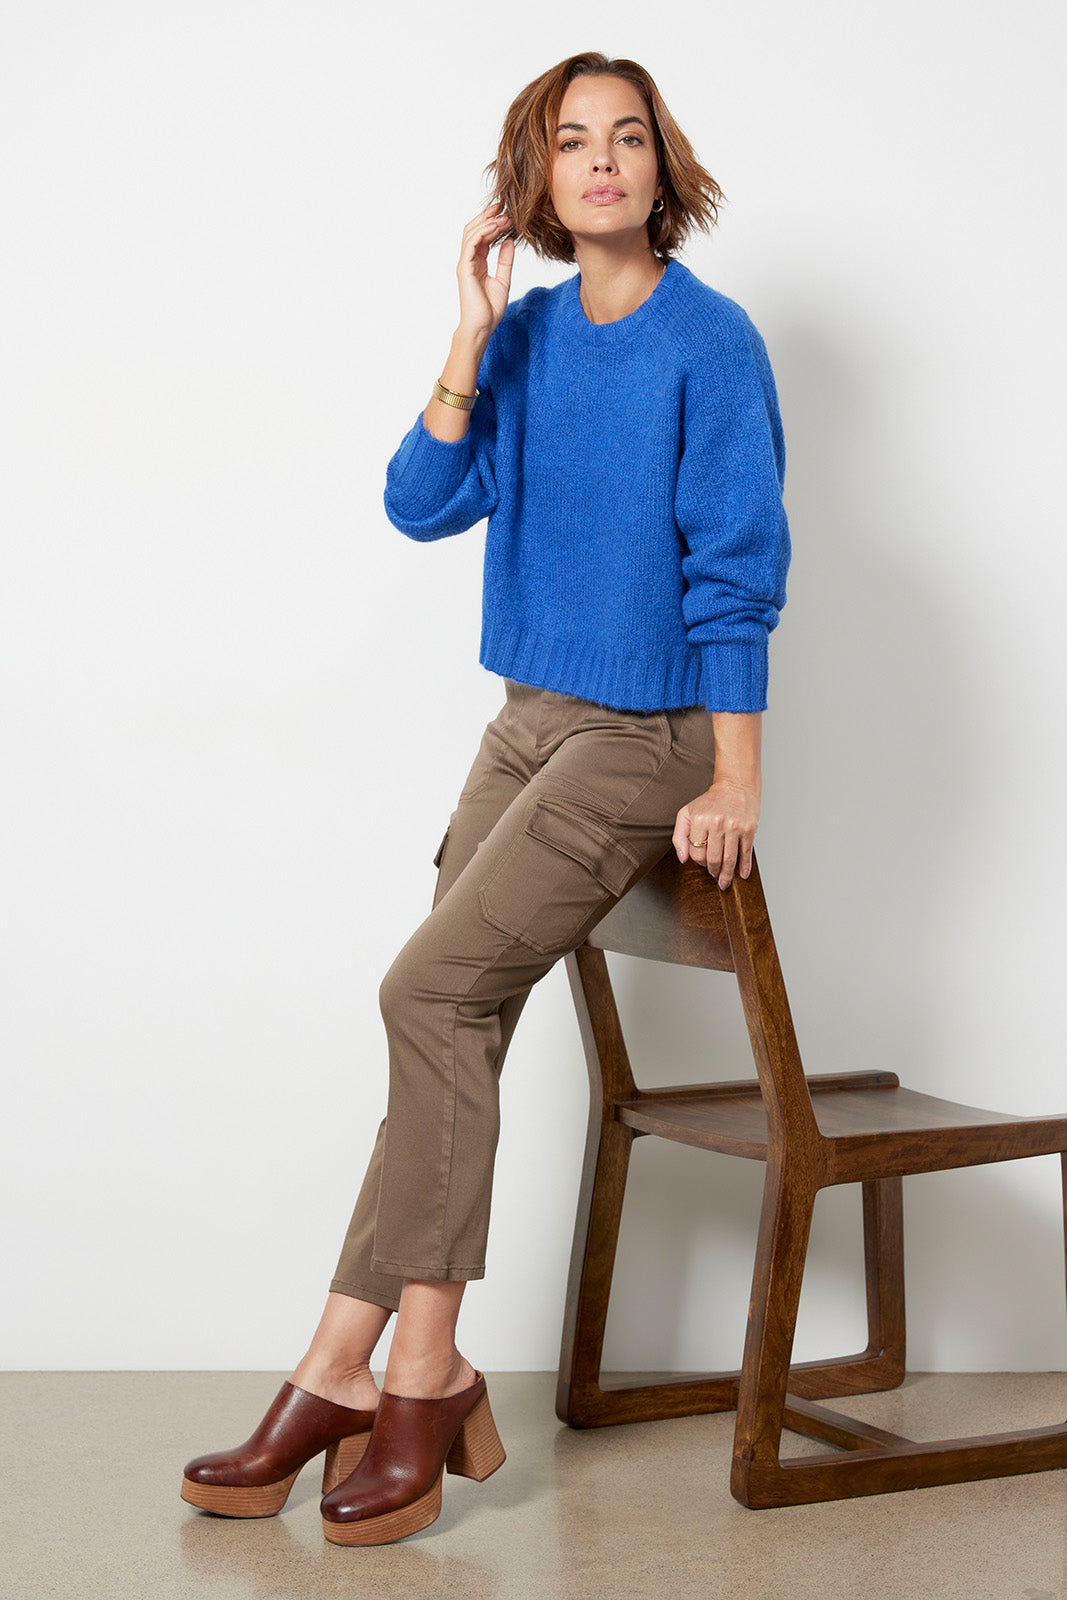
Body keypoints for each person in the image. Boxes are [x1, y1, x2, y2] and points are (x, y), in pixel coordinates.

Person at [181, 49, 790, 1546]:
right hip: (525, 725)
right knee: (451, 1024)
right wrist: (466, 332)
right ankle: (339, 1362)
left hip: (645, 736)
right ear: (537, 178)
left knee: (427, 995)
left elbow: (736, 568)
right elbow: (420, 503)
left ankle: (420, 1368)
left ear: (661, 167)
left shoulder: (712, 343)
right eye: (572, 142)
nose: (603, 162)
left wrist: (735, 774)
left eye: (628, 137)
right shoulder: (521, 338)